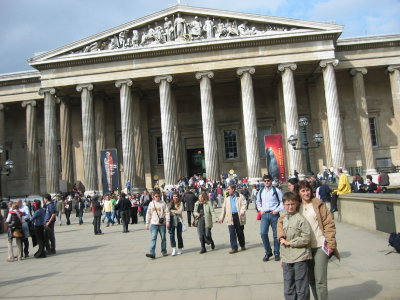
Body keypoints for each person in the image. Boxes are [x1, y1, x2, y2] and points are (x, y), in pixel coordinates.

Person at [298, 180, 339, 300]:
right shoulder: (295, 206)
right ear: (299, 192)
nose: (306, 193)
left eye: (307, 190)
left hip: (321, 245)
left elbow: (329, 224)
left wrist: (331, 242)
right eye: (303, 191)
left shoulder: (319, 204)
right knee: (311, 279)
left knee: (320, 279)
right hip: (305, 247)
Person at [278, 192, 312, 300]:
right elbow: (280, 236)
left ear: (296, 204)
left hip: (300, 257)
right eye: (288, 204)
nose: (290, 207)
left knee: (301, 287)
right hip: (287, 258)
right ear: (284, 205)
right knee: (288, 287)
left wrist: (291, 243)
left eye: (292, 204)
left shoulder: (301, 219)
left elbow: (306, 238)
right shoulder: (283, 219)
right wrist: (282, 258)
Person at [256, 174, 284, 262]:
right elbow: (257, 201)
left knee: (276, 235)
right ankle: (268, 252)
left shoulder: (276, 190)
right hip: (264, 215)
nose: (267, 182)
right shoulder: (261, 191)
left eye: (268, 180)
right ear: (263, 182)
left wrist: (277, 210)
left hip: (274, 214)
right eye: (265, 181)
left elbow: (282, 201)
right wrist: (260, 210)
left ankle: (276, 253)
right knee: (263, 233)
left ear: (271, 181)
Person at [218, 184, 247, 254]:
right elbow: (223, 209)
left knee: (240, 232)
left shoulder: (240, 196)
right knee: (232, 233)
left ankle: (242, 245)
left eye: (229, 189)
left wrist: (242, 211)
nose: (227, 190)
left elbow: (244, 204)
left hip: (238, 216)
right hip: (230, 217)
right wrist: (221, 218)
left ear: (233, 189)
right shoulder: (226, 198)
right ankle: (234, 248)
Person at [145, 192, 170, 259]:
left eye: (159, 196)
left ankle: (164, 251)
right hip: (153, 224)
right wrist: (147, 223)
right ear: (153, 197)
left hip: (162, 224)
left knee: (163, 238)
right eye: (156, 196)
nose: (157, 197)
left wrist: (167, 221)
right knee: (153, 238)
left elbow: (167, 213)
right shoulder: (151, 204)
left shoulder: (163, 203)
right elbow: (148, 214)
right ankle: (152, 253)